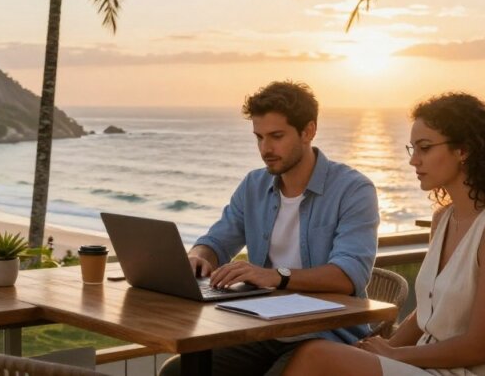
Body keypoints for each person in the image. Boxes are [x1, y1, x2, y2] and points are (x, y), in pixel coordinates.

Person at [284, 93, 485, 376]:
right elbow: (426, 313)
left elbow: (479, 347)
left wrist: (396, 354)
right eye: (412, 149)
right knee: (326, 355)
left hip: (477, 370)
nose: (414, 161)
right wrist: (380, 349)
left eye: (424, 148)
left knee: (315, 355)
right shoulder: (444, 218)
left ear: (464, 150)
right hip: (429, 361)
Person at [160, 80, 380, 376]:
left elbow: (348, 275)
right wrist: (199, 256)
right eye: (259, 137)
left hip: (326, 336)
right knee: (178, 372)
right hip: (262, 331)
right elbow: (216, 240)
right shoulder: (254, 185)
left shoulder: (353, 190)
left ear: (309, 131)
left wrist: (274, 277)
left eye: (277, 136)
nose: (266, 149)